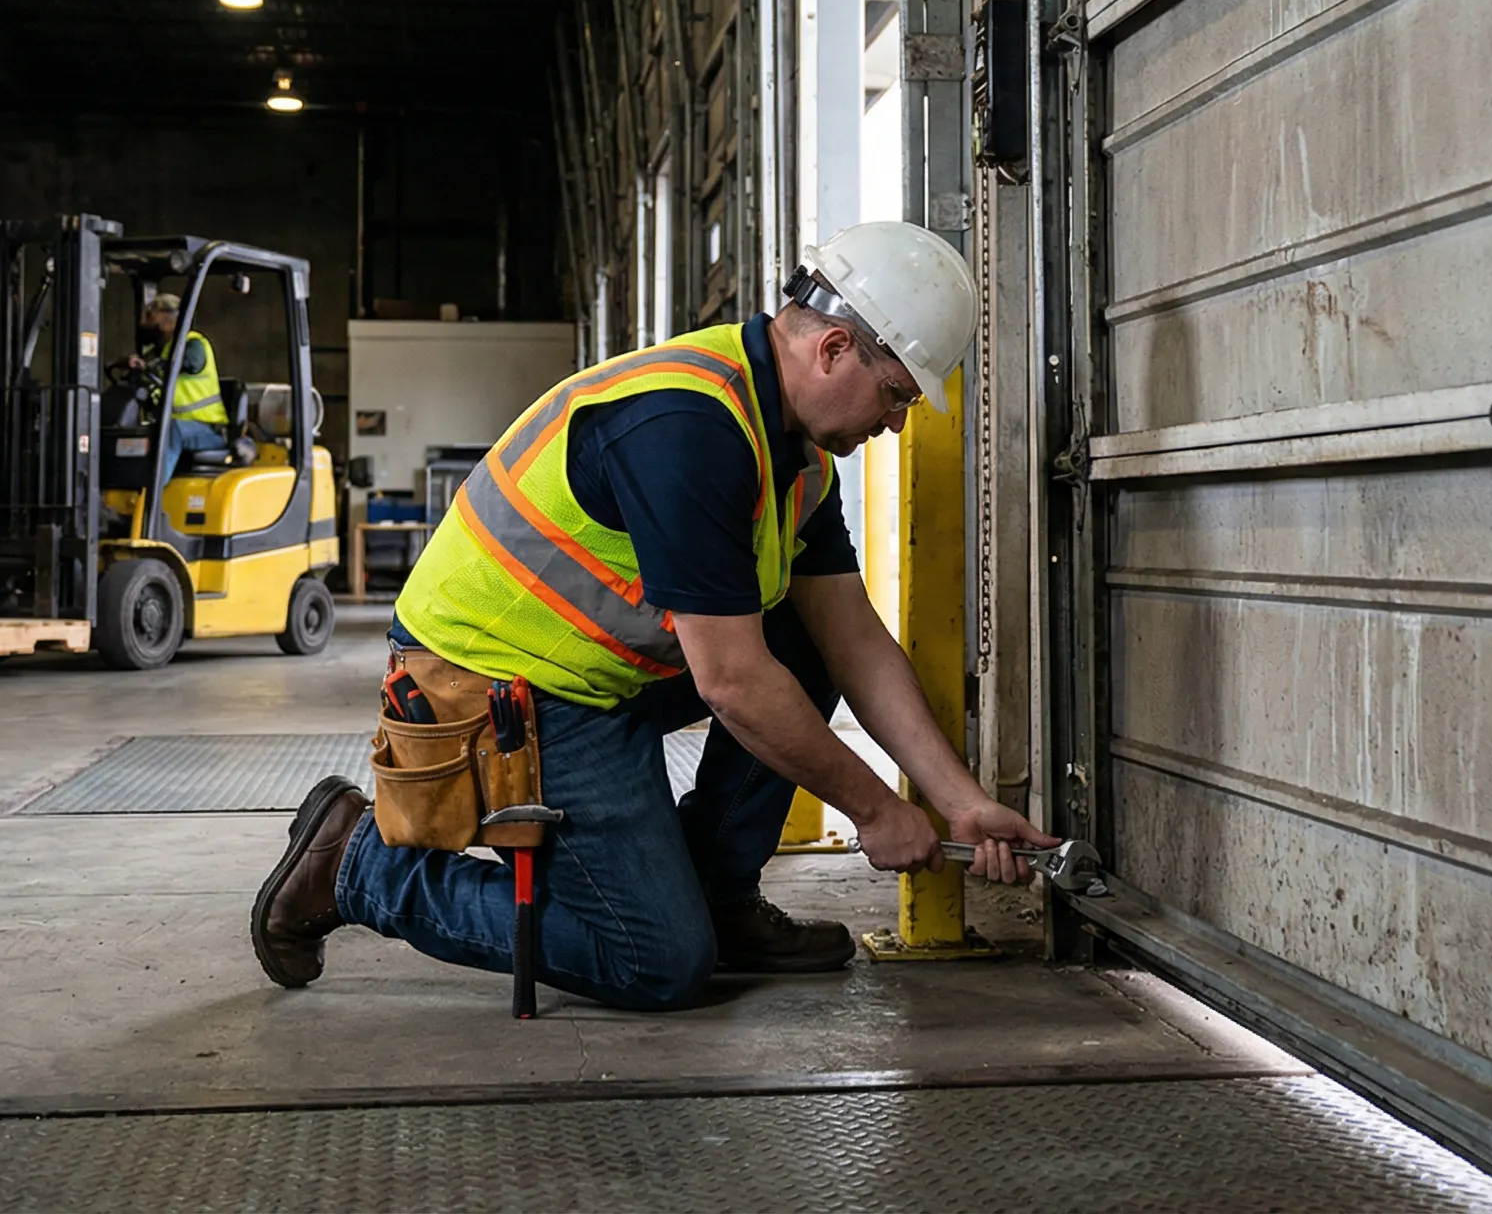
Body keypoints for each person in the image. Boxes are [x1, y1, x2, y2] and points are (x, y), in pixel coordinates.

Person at [250, 221, 1058, 1009]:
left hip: (597, 673)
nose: (895, 423)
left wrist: (958, 801)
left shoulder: (796, 453)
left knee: (806, 640)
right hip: (504, 684)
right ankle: (356, 865)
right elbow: (734, 682)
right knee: (654, 962)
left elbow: (852, 638)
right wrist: (876, 811)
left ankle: (718, 897)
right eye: (895, 395)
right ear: (834, 349)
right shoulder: (691, 429)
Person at [126, 291, 228, 482]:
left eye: (150, 318)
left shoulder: (194, 344)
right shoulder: (165, 350)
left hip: (209, 430)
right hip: (179, 426)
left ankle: (152, 498)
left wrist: (153, 366)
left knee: (174, 429)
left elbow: (190, 363)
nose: (146, 325)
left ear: (168, 319)